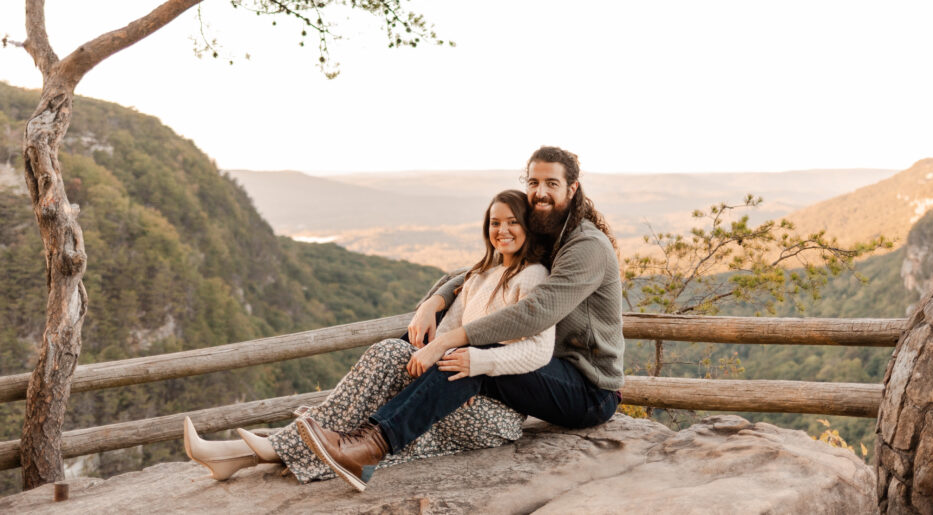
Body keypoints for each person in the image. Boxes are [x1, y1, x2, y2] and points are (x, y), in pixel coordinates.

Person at [297, 146, 624, 488]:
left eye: (551, 184)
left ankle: (371, 447)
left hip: (588, 389)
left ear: (572, 189)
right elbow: (481, 269)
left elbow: (535, 313)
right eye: (534, 182)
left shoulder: (586, 246)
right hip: (546, 369)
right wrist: (433, 303)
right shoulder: (546, 227)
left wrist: (449, 342)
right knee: (438, 351)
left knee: (470, 357)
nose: (540, 192)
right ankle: (349, 438)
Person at [183, 189, 552, 490]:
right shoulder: (480, 276)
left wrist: (471, 373)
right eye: (495, 222)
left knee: (364, 422)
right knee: (386, 365)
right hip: (449, 387)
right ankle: (234, 456)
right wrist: (430, 325)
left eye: (512, 222)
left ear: (528, 229)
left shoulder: (532, 277)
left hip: (490, 411)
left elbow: (527, 350)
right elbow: (443, 336)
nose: (502, 230)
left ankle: (256, 449)